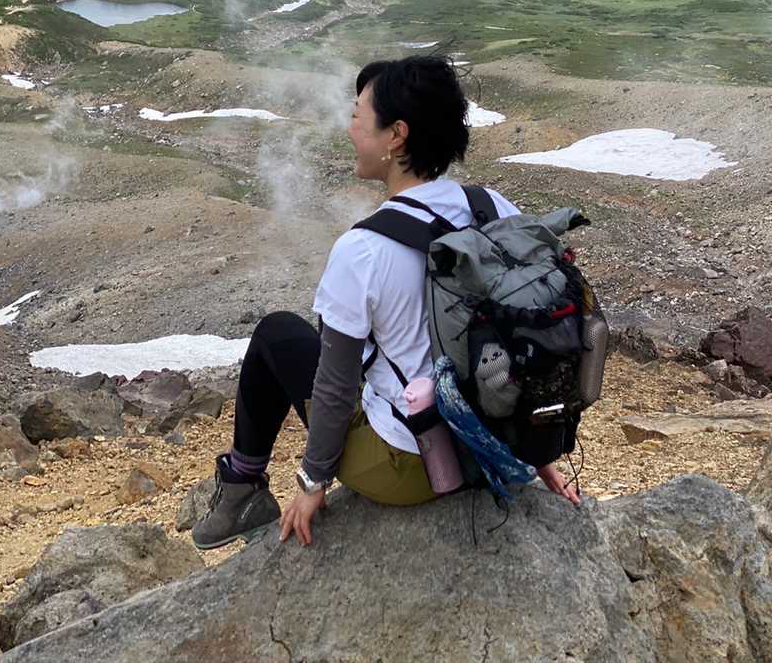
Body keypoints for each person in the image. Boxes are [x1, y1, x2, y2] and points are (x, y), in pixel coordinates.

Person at [193, 55, 581, 551]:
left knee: (277, 334)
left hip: (413, 467)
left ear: (396, 135)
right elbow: (523, 337)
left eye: (358, 115)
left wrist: (312, 482)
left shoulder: (363, 249)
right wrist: (535, 453)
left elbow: (334, 387)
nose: (350, 127)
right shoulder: (494, 208)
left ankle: (241, 490)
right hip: (500, 446)